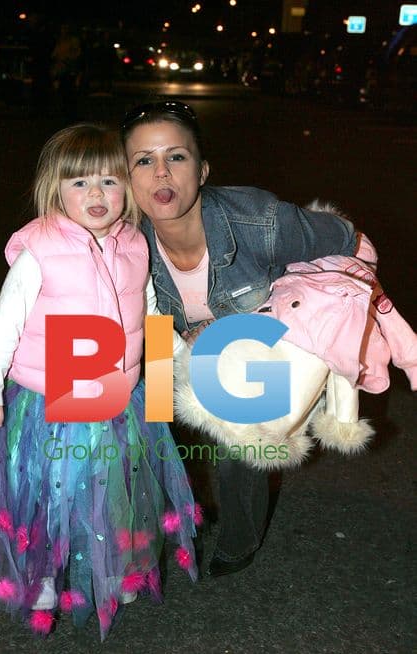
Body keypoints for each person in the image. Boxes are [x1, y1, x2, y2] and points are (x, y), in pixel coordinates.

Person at [0, 124, 199, 639]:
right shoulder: (41, 250)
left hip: (119, 396)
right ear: (55, 190)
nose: (96, 195)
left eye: (109, 181)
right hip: (50, 401)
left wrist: (167, 376)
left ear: (128, 188)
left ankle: (113, 565)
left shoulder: (135, 244)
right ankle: (46, 577)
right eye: (79, 184)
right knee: (56, 493)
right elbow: (5, 321)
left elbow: (149, 311)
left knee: (116, 486)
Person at [121, 100, 361, 578]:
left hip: (260, 347)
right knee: (138, 420)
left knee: (239, 435)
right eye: (144, 161)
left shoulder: (262, 222)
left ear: (203, 169)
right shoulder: (124, 240)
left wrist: (269, 325)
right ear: (128, 178)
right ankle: (144, 530)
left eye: (177, 157)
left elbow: (349, 240)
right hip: (168, 339)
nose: (161, 173)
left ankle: (240, 536)